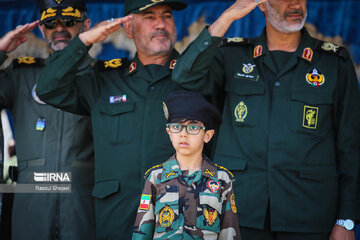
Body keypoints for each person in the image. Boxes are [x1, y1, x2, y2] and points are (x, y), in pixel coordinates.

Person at [171, 0, 360, 239]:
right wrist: (227, 17)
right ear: (261, 4)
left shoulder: (334, 63)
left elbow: (352, 146)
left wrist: (347, 219)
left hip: (309, 214)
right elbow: (184, 77)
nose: (294, 3)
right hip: (240, 212)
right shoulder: (231, 57)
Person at [35, 0, 189, 239]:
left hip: (179, 215)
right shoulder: (104, 80)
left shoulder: (196, 79)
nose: (161, 24)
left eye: (167, 16)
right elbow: (47, 88)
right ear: (128, 28)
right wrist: (84, 40)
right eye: (149, 16)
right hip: (116, 216)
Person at [0, 0, 96, 239]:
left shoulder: (103, 76)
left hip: (83, 205)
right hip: (31, 205)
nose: (60, 28)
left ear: (87, 25)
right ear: (42, 30)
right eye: (51, 23)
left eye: (69, 21)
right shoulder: (22, 73)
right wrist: (0, 51)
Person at [132, 90, 241, 239]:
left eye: (193, 127)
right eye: (177, 127)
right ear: (169, 133)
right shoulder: (156, 177)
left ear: (207, 135)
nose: (183, 133)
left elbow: (229, 233)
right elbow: (141, 233)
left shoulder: (221, 180)